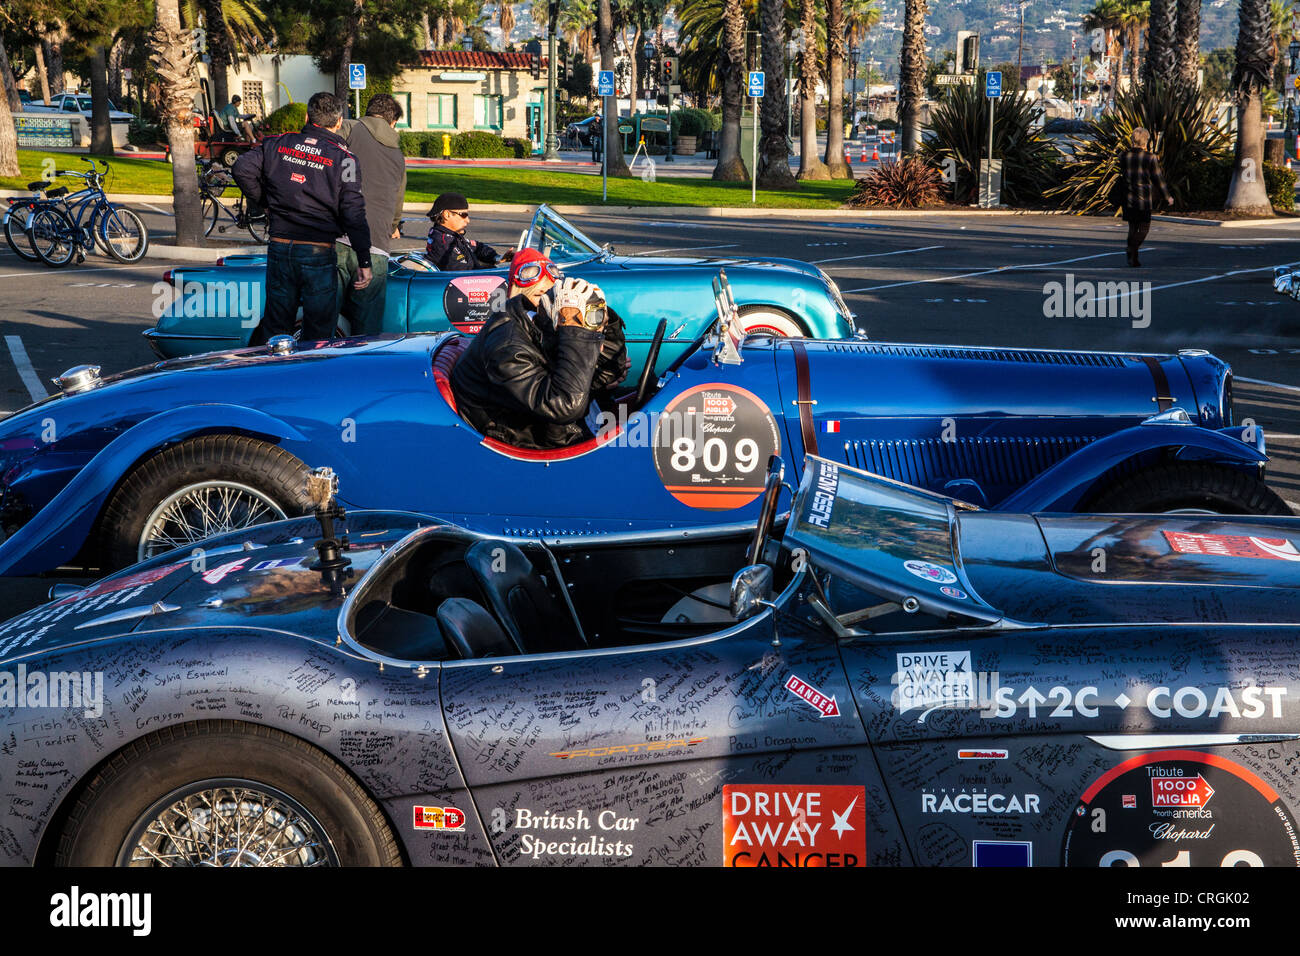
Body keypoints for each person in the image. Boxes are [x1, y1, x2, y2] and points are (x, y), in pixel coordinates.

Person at [449, 248, 629, 449]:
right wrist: (576, 329)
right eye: (538, 294)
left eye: (550, 293)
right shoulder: (507, 344)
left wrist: (600, 315)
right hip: (528, 443)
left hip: (553, 427)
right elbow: (564, 406)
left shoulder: (537, 324)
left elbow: (606, 370)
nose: (547, 300)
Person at [233, 91, 371, 344]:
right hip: (318, 249)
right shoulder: (345, 159)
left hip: (280, 245)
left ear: (307, 116)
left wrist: (265, 201)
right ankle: (308, 377)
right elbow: (354, 212)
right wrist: (364, 259)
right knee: (318, 330)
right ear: (338, 122)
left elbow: (242, 168)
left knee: (276, 324)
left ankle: (274, 374)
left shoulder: (277, 144)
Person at [336, 92, 407, 335]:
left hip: (337, 236)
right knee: (366, 326)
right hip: (376, 243)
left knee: (323, 318)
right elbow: (397, 201)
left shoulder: (349, 128)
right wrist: (392, 225)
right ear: (393, 121)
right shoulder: (398, 155)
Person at [1117, 127, 1172, 268]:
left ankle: (1133, 258)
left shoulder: (1123, 156)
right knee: (1144, 227)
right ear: (1145, 141)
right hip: (1144, 198)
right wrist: (1167, 196)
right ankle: (1132, 249)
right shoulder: (1150, 157)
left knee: (1133, 226)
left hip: (1128, 196)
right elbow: (1158, 178)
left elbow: (1122, 173)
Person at [425, 193, 505, 271]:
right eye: (463, 215)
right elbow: (465, 272)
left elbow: (477, 247)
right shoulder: (443, 243)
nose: (468, 220)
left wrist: (497, 257)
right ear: (447, 214)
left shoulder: (450, 236)